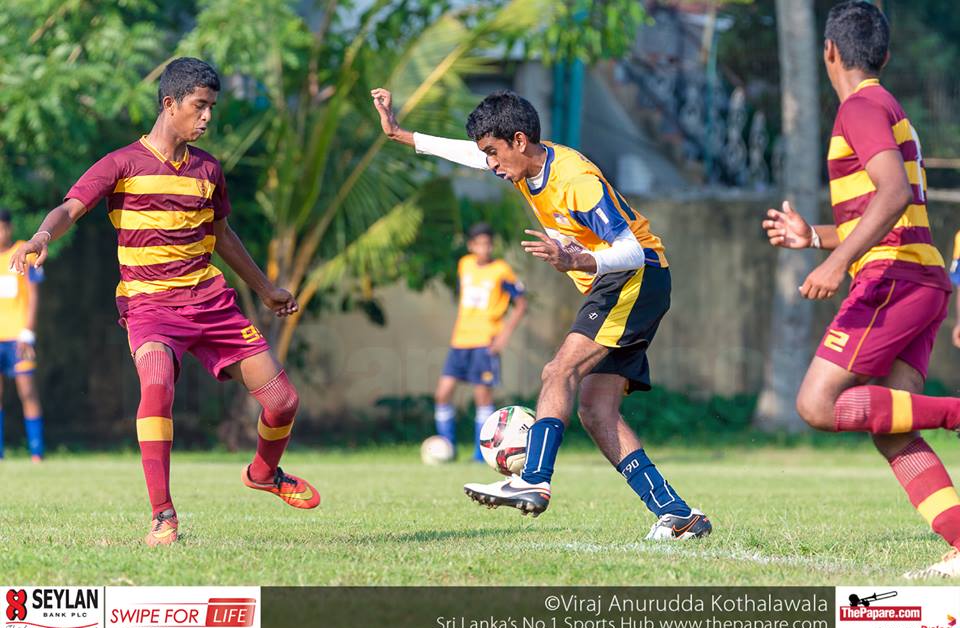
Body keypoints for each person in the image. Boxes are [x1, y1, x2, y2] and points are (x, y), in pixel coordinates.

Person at [372, 87, 711, 539]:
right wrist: (401, 134)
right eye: (485, 154)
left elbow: (630, 250)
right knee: (596, 410)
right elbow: (469, 155)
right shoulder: (519, 164)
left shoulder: (575, 179)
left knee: (558, 372)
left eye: (493, 152)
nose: (489, 164)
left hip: (635, 276)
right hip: (619, 282)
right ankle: (678, 515)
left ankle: (533, 478)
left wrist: (581, 261)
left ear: (518, 140)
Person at [11, 57, 320, 547]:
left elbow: (222, 235)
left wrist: (264, 289)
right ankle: (163, 516)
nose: (207, 118)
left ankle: (263, 474)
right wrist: (42, 234)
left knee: (283, 402)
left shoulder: (208, 170)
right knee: (156, 388)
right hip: (149, 307)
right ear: (169, 103)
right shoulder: (122, 163)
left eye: (212, 108)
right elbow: (71, 205)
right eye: (199, 106)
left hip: (211, 304)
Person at [762, 1, 959, 578]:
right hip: (920, 277)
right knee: (893, 430)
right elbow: (888, 206)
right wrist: (817, 238)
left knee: (815, 404)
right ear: (885, 55)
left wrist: (838, 262)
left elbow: (893, 192)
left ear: (828, 50)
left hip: (891, 279)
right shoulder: (885, 105)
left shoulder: (861, 106)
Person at [435, 222, 526, 460]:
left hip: (485, 341)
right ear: (471, 245)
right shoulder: (464, 264)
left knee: (482, 398)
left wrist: (503, 336)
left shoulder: (501, 270)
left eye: (488, 244)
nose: (484, 248)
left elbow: (521, 304)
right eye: (479, 244)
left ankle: (480, 454)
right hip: (460, 341)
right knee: (443, 393)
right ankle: (447, 448)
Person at [0, 209, 45, 463]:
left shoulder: (22, 252)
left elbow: (34, 295)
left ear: (10, 228)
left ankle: (36, 452)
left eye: (3, 227)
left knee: (27, 390)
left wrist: (28, 332)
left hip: (18, 336)